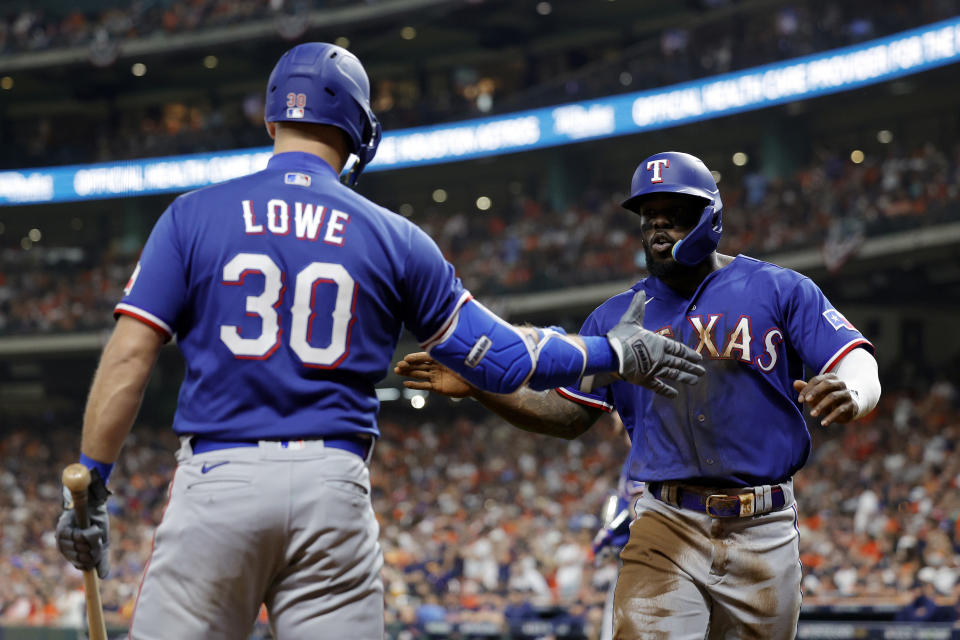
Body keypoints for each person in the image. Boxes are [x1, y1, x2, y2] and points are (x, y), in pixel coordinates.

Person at [53, 46, 705, 640]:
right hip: (332, 490)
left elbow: (130, 356)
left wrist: (95, 486)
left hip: (218, 479)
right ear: (360, 129)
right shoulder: (394, 237)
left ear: (273, 121)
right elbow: (503, 358)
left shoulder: (193, 216)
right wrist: (615, 352)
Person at [396, 150, 882, 639]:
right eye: (649, 217)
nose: (659, 228)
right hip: (666, 521)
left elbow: (858, 362)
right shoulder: (615, 317)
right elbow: (567, 414)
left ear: (711, 217)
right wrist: (482, 386)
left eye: (675, 215)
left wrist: (852, 391)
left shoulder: (779, 288)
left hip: (765, 526)